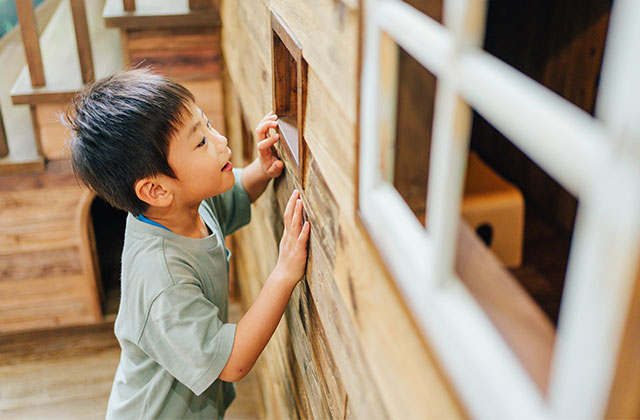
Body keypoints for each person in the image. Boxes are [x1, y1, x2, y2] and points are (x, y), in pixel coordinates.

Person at [63, 68, 310, 419]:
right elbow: (234, 362)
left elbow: (235, 193)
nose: (220, 140)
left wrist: (261, 169)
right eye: (201, 141)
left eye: (207, 124)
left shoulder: (188, 204)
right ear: (157, 189)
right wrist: (284, 273)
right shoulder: (161, 280)